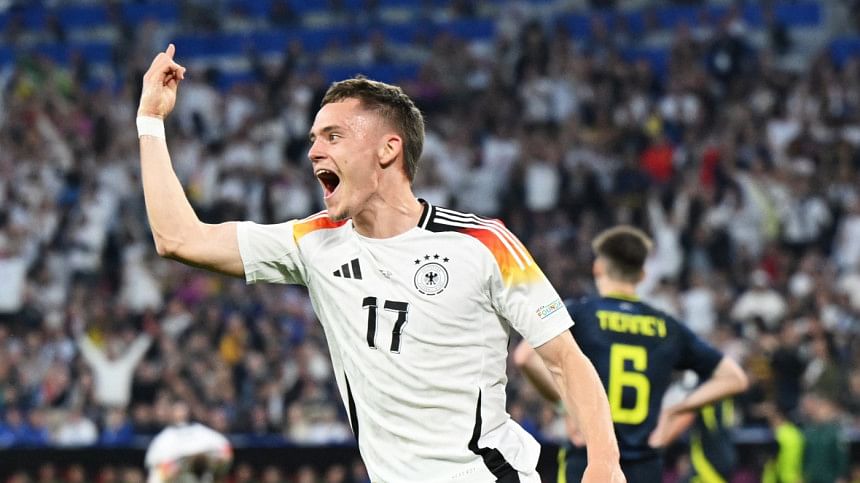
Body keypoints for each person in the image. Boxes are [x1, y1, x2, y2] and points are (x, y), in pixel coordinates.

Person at [136, 44, 624, 482]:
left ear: (389, 149)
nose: (313, 152)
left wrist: (604, 463)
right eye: (313, 138)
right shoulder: (313, 242)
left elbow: (565, 359)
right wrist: (150, 121)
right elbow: (179, 238)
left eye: (333, 136)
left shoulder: (482, 243)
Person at [514, 225, 748, 483]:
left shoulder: (579, 312)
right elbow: (734, 378)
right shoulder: (667, 326)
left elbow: (525, 357)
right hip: (643, 466)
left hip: (589, 459)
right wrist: (675, 410)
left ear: (598, 267)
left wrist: (569, 407)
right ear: (642, 275)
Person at [144, 401, 233, 483]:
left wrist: (213, 463)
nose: (180, 414)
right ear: (170, 412)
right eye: (177, 410)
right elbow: (153, 464)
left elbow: (225, 450)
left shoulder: (202, 432)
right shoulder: (163, 439)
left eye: (182, 410)